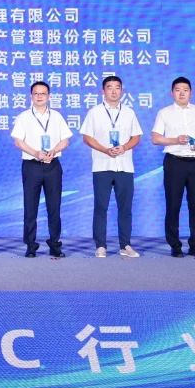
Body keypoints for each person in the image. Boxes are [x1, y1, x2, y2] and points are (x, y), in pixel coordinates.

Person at [151, 77, 195, 258]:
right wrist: (175, 140)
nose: (182, 93)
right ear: (172, 92)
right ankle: (175, 245)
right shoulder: (164, 113)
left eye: (185, 90)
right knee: (173, 205)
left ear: (191, 92)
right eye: (178, 90)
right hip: (175, 163)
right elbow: (155, 138)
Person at [80, 76, 143, 258]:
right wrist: (105, 150)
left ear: (122, 90)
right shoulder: (95, 112)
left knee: (125, 208)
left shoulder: (129, 112)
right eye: (110, 87)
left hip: (125, 166)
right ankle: (100, 245)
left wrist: (124, 147)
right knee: (101, 207)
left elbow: (136, 137)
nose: (114, 91)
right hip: (102, 165)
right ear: (103, 91)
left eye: (117, 87)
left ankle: (125, 245)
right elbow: (87, 137)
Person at [10, 81, 72, 258]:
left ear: (49, 96)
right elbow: (18, 142)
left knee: (54, 207)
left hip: (53, 165)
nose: (39, 96)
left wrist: (54, 150)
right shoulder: (23, 117)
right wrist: (36, 153)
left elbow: (65, 140)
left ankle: (55, 244)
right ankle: (31, 245)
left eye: (43, 93)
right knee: (30, 207)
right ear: (31, 96)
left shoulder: (57, 117)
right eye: (36, 93)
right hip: (32, 166)